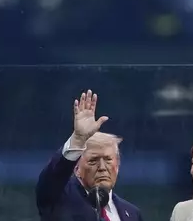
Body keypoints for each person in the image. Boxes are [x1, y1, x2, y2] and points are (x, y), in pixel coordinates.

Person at [36, 90, 144, 221]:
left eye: (108, 160)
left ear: (118, 165)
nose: (102, 167)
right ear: (76, 169)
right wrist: (78, 140)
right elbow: (52, 178)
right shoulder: (60, 198)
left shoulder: (132, 213)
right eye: (93, 161)